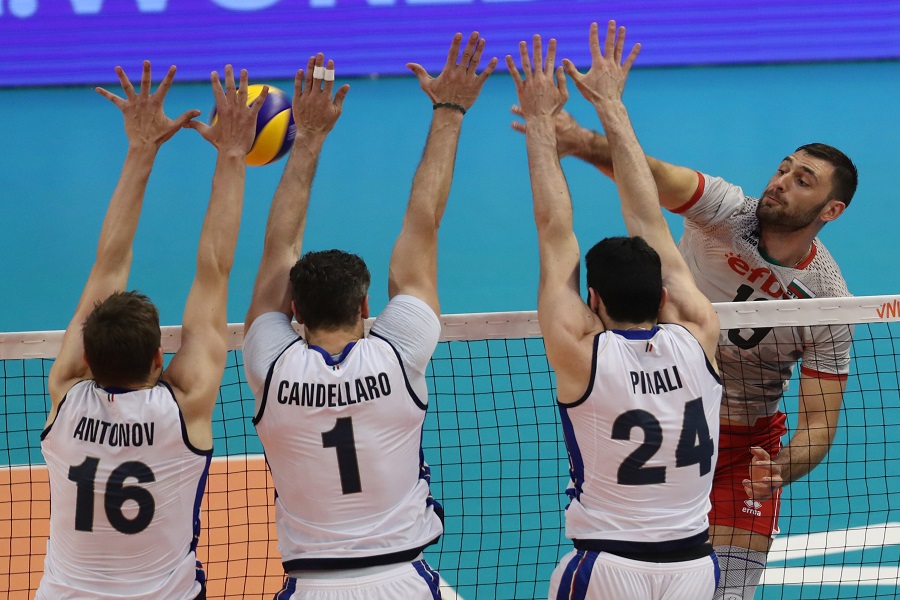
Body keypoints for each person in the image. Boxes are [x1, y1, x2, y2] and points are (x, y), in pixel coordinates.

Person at [511, 39, 857, 600]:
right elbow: (651, 185)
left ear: (831, 210)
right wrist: (586, 140)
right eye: (783, 169)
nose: (780, 181)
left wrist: (781, 467)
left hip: (744, 446)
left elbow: (820, 422)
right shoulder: (726, 212)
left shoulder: (829, 301)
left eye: (802, 180)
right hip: (665, 396)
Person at [241, 37, 497, 599]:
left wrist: (308, 138)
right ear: (366, 308)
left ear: (294, 311)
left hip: (311, 587)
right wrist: (449, 111)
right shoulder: (399, 354)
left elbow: (278, 250)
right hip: (405, 583)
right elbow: (424, 221)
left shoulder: (272, 366)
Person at [508, 21, 723, 599]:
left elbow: (554, 232)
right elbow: (648, 217)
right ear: (663, 298)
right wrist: (611, 104)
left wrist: (539, 126)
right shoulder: (699, 330)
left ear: (593, 300)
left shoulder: (581, 353)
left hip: (608, 568)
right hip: (694, 568)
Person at [36, 62, 265, 599]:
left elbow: (108, 265)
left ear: (86, 357)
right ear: (160, 360)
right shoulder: (183, 408)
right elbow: (215, 270)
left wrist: (141, 149)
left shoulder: (66, 392)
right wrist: (233, 155)